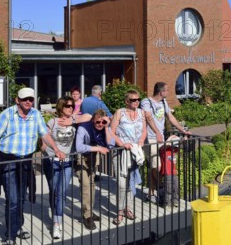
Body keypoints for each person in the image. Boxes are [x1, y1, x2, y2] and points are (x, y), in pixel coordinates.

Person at [0, 88, 66, 245]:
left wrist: (56, 149)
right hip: (8, 161)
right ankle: (10, 235)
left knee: (21, 198)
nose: (28, 102)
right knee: (13, 199)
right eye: (25, 99)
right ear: (17, 100)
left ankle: (17, 227)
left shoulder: (35, 114)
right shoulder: (7, 114)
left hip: (25, 163)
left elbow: (44, 134)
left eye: (31, 99)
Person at [140, 82, 190, 204]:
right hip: (150, 139)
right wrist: (157, 132)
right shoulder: (146, 102)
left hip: (161, 139)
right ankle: (162, 187)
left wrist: (183, 130)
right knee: (157, 167)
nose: (168, 92)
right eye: (167, 90)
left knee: (156, 166)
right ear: (161, 92)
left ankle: (151, 194)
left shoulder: (163, 102)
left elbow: (170, 117)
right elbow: (148, 117)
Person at [41, 96, 77, 240]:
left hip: (68, 162)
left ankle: (56, 222)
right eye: (68, 106)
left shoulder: (74, 122)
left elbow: (89, 116)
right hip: (52, 161)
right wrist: (44, 149)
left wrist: (72, 120)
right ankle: (57, 216)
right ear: (61, 107)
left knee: (61, 192)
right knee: (54, 191)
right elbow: (44, 139)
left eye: (72, 106)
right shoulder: (53, 122)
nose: (71, 108)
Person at [109, 90, 147, 225]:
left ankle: (128, 208)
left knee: (131, 181)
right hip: (120, 152)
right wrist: (121, 144)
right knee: (121, 183)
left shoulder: (141, 113)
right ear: (127, 101)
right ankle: (120, 211)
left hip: (135, 151)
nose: (136, 101)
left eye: (138, 99)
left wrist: (141, 141)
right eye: (133, 100)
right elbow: (111, 132)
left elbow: (144, 131)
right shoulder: (120, 112)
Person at [75, 109, 111, 231]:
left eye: (103, 122)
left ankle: (89, 211)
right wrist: (97, 148)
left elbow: (110, 144)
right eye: (97, 122)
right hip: (81, 157)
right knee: (85, 186)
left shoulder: (104, 127)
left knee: (91, 185)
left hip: (93, 157)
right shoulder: (83, 128)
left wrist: (107, 127)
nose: (100, 124)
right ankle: (87, 216)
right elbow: (79, 147)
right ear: (92, 121)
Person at [160, 136, 181, 208]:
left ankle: (175, 201)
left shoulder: (174, 150)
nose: (175, 148)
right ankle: (167, 202)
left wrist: (182, 138)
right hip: (167, 172)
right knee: (168, 188)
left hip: (174, 172)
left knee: (176, 186)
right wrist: (170, 138)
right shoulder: (165, 150)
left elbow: (182, 144)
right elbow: (164, 145)